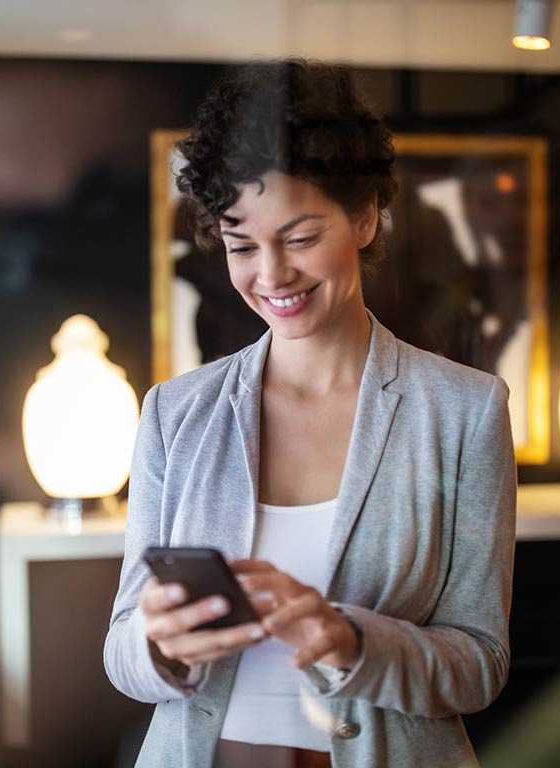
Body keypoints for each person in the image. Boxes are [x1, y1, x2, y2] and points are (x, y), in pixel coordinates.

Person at [104, 59, 517, 768]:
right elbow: (121, 650)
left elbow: (479, 663)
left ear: (363, 215)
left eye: (298, 238)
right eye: (241, 245)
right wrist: (157, 643)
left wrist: (354, 641)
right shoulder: (176, 413)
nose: (271, 275)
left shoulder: (464, 411)